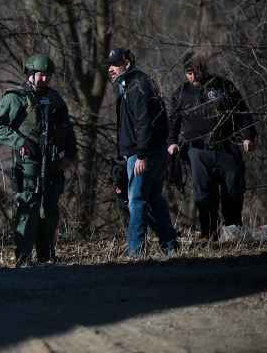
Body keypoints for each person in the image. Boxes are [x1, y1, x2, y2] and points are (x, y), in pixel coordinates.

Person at [0, 55, 77, 267]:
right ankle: (24, 258)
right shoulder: (16, 98)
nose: (45, 79)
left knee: (50, 210)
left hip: (53, 162)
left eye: (48, 75)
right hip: (29, 164)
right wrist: (19, 141)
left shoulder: (55, 99)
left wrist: (70, 156)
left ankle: (46, 256)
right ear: (30, 74)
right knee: (27, 209)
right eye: (41, 75)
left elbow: (68, 130)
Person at [166, 52, 257, 241]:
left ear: (203, 70)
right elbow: (173, 120)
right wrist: (172, 142)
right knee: (204, 192)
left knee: (233, 188)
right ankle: (209, 232)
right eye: (189, 73)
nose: (193, 76)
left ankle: (233, 229)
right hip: (197, 150)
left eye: (195, 72)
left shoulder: (223, 86)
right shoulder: (181, 93)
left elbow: (241, 111)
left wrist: (248, 136)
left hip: (226, 146)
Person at [106, 48, 177, 257]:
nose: (110, 69)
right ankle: (170, 245)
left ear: (127, 63)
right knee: (154, 198)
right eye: (108, 65)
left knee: (136, 200)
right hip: (150, 151)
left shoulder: (136, 86)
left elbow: (143, 123)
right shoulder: (137, 83)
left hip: (143, 154)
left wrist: (141, 155)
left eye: (115, 64)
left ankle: (136, 251)